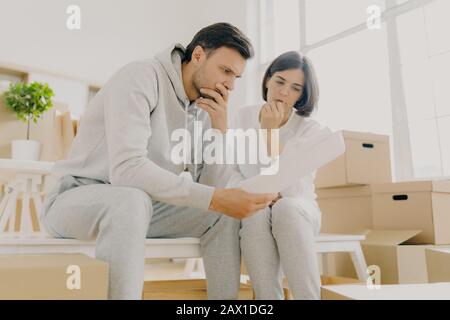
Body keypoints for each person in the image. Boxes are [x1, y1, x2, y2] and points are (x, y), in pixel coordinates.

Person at [40, 22, 277, 300]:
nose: (230, 85)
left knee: (222, 214)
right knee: (130, 199)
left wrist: (219, 130)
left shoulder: (204, 108)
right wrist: (216, 197)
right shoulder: (141, 77)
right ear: (198, 55)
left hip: (144, 208)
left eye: (236, 77)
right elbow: (127, 170)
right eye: (225, 71)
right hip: (73, 200)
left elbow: (212, 188)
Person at [227, 51, 322, 299]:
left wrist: (269, 133)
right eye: (279, 82)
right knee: (254, 212)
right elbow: (233, 172)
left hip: (298, 210)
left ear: (302, 95)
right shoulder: (243, 116)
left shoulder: (309, 129)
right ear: (268, 79)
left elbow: (294, 190)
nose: (283, 92)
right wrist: (254, 192)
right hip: (256, 204)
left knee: (286, 208)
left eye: (295, 88)